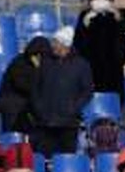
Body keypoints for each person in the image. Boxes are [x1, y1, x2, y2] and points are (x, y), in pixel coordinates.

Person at [30, 26, 93, 158]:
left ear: (65, 45)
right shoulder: (46, 62)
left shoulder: (81, 65)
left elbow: (87, 91)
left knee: (66, 159)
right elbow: (35, 87)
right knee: (44, 159)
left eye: (55, 42)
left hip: (68, 124)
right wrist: (38, 108)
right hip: (44, 122)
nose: (52, 45)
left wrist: (73, 108)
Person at [73, 0, 125, 100]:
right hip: (90, 69)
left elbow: (123, 43)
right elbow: (78, 44)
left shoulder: (116, 18)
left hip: (113, 70)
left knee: (113, 101)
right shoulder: (85, 16)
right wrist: (85, 24)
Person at [0, 36, 50, 134]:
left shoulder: (38, 67)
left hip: (24, 106)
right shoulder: (20, 63)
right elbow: (22, 85)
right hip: (11, 105)